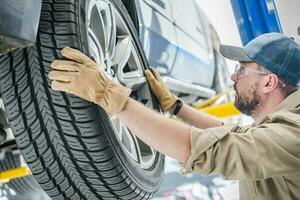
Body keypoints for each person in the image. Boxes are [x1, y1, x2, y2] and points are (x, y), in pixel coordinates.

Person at [48, 32, 300, 199]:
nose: (233, 77)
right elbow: (233, 133)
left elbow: (209, 149)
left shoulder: (294, 132)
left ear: (269, 82)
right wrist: (175, 106)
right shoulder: (281, 126)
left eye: (242, 70)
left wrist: (111, 97)